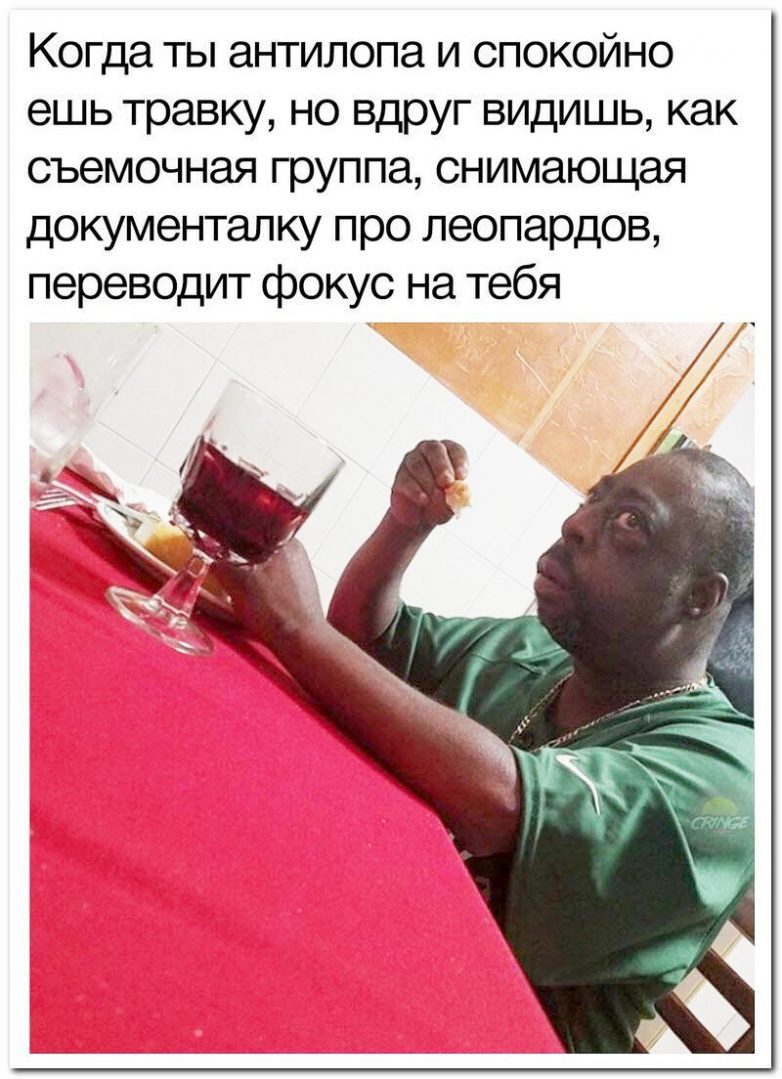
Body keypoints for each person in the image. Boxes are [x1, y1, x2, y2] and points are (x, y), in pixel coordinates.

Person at [216, 441, 754, 1054]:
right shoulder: (540, 650)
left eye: (631, 522)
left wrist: (295, 629)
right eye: (595, 499)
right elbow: (368, 641)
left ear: (700, 596)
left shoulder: (730, 777)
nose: (577, 524)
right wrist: (405, 526)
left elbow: (503, 805)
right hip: (363, 944)